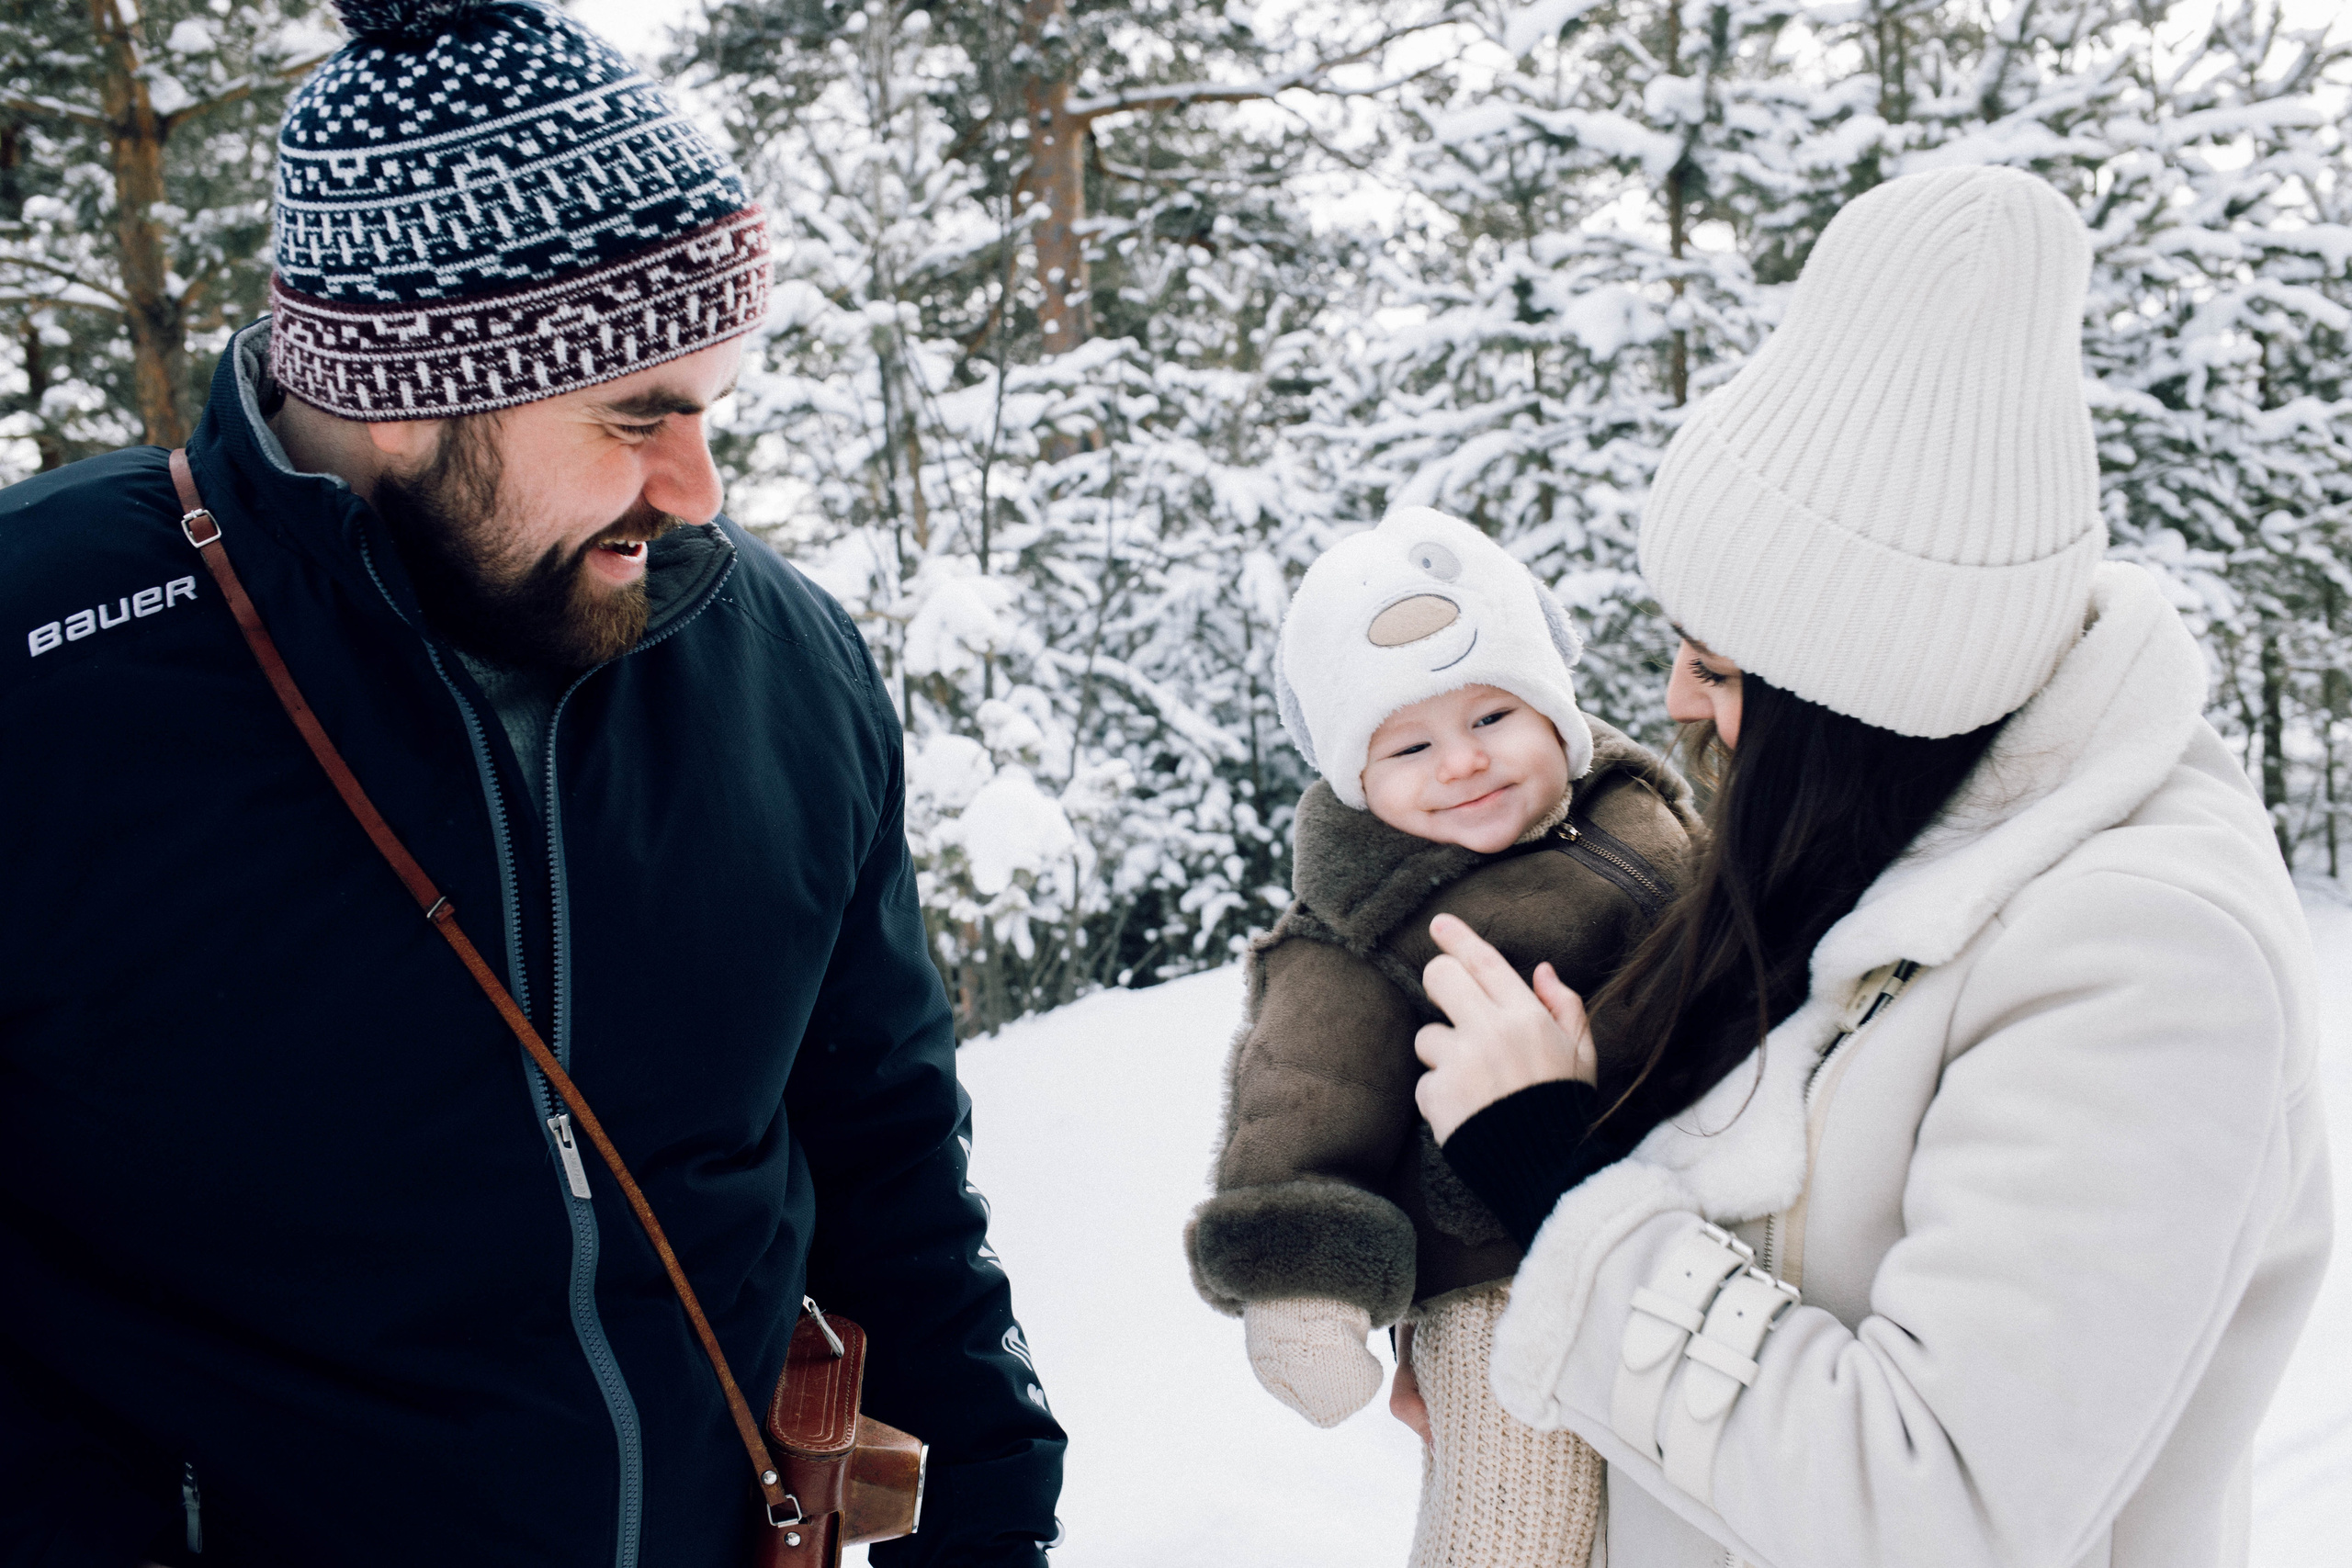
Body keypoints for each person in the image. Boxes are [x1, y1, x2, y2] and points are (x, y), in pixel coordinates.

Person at [0, 2, 1062, 1562]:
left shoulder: (782, 668)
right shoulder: (50, 660)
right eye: (638, 416)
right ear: (406, 390)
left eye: (708, 406)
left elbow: (892, 1170)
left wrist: (996, 1525)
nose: (697, 488)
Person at [1409, 164, 2332, 1568]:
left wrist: (1554, 1192)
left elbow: (1939, 1505)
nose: (1670, 697)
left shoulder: (2151, 962)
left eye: (1719, 666)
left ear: (1855, 695)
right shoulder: (1891, 843)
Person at [1185, 508, 1699, 1568]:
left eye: (1494, 718)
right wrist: (1302, 1289)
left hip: (1686, 1236)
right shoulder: (1356, 933)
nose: (1461, 763)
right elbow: (1302, 1101)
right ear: (1354, 778)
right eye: (1410, 745)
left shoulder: (1643, 814)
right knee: (1514, 1526)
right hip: (1495, 1280)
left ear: (1555, 711)